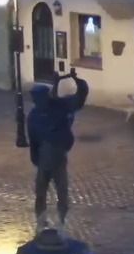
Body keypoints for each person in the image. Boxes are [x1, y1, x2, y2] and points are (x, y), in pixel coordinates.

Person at [26, 69, 89, 233]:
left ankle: (62, 221)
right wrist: (36, 158)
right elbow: (33, 138)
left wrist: (78, 82)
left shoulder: (60, 107)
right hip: (43, 158)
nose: (37, 101)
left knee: (61, 191)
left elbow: (80, 98)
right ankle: (41, 222)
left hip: (58, 156)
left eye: (38, 98)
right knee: (41, 192)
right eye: (35, 99)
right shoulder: (34, 116)